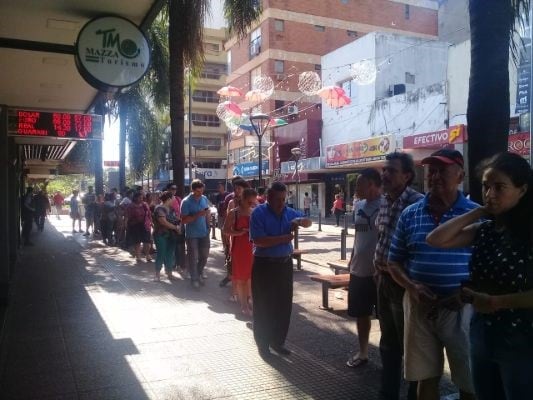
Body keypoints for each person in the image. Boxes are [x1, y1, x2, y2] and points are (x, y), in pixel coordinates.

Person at [426, 152, 533, 400]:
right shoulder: (485, 230)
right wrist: (480, 211)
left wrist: (499, 302)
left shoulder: (528, 233)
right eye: (486, 187)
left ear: (522, 189)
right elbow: (436, 239)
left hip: (522, 339)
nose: (490, 194)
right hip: (482, 333)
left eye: (499, 187)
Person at [388, 149, 478, 400]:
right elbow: (393, 262)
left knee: (469, 380)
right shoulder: (411, 213)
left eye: (443, 170)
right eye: (432, 171)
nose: (435, 176)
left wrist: (466, 293)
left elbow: (485, 267)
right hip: (419, 306)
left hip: (462, 307)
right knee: (425, 377)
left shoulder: (475, 213)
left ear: (460, 175)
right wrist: (412, 286)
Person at [374, 152, 423, 400]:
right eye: (385, 169)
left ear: (407, 175)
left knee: (410, 347)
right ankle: (388, 393)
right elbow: (382, 237)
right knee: (388, 343)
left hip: (403, 284)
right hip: (383, 281)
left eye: (392, 170)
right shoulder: (385, 199)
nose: (385, 174)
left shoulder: (417, 203)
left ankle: (414, 395)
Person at [249, 182, 312, 357]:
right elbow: (259, 240)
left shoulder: (288, 212)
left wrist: (302, 221)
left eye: (284, 199)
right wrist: (285, 238)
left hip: (284, 264)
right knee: (263, 306)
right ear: (268, 197)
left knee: (283, 305)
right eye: (277, 199)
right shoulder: (258, 213)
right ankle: (263, 345)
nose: (281, 203)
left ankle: (278, 342)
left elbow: (307, 221)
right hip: (264, 265)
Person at [346, 169, 382, 368]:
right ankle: (363, 352)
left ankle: (391, 357)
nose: (357, 188)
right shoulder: (358, 205)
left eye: (360, 184)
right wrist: (351, 258)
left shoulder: (387, 205)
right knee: (361, 313)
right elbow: (357, 236)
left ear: (372, 184)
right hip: (358, 270)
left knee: (385, 317)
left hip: (379, 273)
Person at [224, 188, 257, 317]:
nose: (252, 204)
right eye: (249, 202)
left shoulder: (254, 212)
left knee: (251, 278)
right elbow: (225, 230)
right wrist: (239, 232)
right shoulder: (234, 213)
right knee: (241, 278)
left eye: (253, 202)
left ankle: (249, 301)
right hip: (239, 249)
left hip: (253, 249)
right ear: (242, 199)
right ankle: (243, 305)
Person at [180, 179, 211, 289]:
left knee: (205, 256)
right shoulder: (186, 202)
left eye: (202, 191)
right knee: (193, 257)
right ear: (192, 190)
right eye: (198, 191)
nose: (200, 193)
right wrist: (197, 215)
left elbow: (207, 213)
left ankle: (198, 273)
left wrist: (209, 226)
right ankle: (194, 279)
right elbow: (183, 220)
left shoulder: (204, 199)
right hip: (192, 234)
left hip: (204, 232)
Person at [219, 176, 245, 288]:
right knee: (231, 258)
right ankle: (230, 277)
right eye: (235, 187)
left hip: (247, 236)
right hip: (234, 235)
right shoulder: (230, 200)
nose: (237, 190)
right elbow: (226, 218)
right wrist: (226, 237)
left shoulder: (251, 199)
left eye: (239, 187)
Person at [153, 191, 181, 281]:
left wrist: (179, 225)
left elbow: (177, 219)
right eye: (173, 198)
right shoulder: (159, 209)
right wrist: (175, 227)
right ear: (169, 199)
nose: (174, 200)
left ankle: (169, 273)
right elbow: (163, 222)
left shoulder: (171, 209)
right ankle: (157, 274)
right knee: (161, 254)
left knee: (170, 254)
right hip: (161, 235)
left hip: (171, 235)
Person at [125, 192, 152, 262]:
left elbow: (149, 214)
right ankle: (138, 256)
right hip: (135, 225)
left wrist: (151, 222)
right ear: (135, 198)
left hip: (145, 225)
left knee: (147, 240)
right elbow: (127, 216)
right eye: (140, 197)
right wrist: (125, 225)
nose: (141, 199)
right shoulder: (130, 206)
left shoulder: (145, 204)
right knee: (137, 241)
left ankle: (147, 254)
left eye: (142, 197)